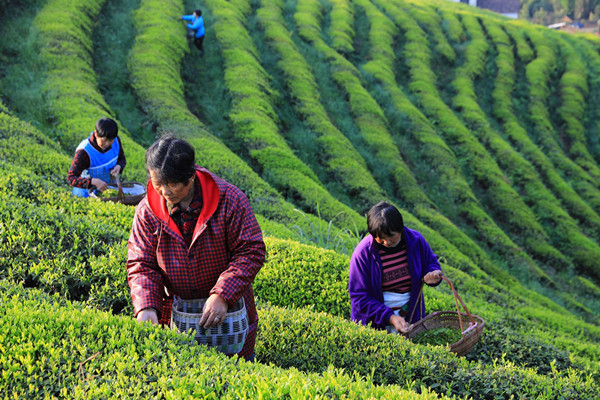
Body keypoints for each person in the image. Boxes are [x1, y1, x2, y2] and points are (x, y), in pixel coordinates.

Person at [126, 135, 265, 361]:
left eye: (171, 185)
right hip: (178, 315)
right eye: (157, 184)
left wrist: (223, 293)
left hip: (230, 315)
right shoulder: (147, 211)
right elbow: (141, 263)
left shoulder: (230, 200)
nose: (164, 193)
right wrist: (146, 306)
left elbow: (251, 250)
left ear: (190, 177)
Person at [348, 201, 442, 334]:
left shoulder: (416, 241)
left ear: (400, 228)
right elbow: (359, 297)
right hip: (375, 320)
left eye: (391, 235)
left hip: (410, 313)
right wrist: (389, 317)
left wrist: (433, 273)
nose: (386, 242)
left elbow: (430, 262)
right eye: (380, 238)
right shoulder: (363, 253)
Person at [68, 117, 126, 197]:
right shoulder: (84, 151)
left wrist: (118, 166)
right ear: (96, 134)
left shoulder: (116, 141)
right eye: (104, 140)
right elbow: (71, 178)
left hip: (107, 191)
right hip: (86, 194)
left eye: (110, 141)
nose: (107, 144)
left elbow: (122, 159)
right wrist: (93, 181)